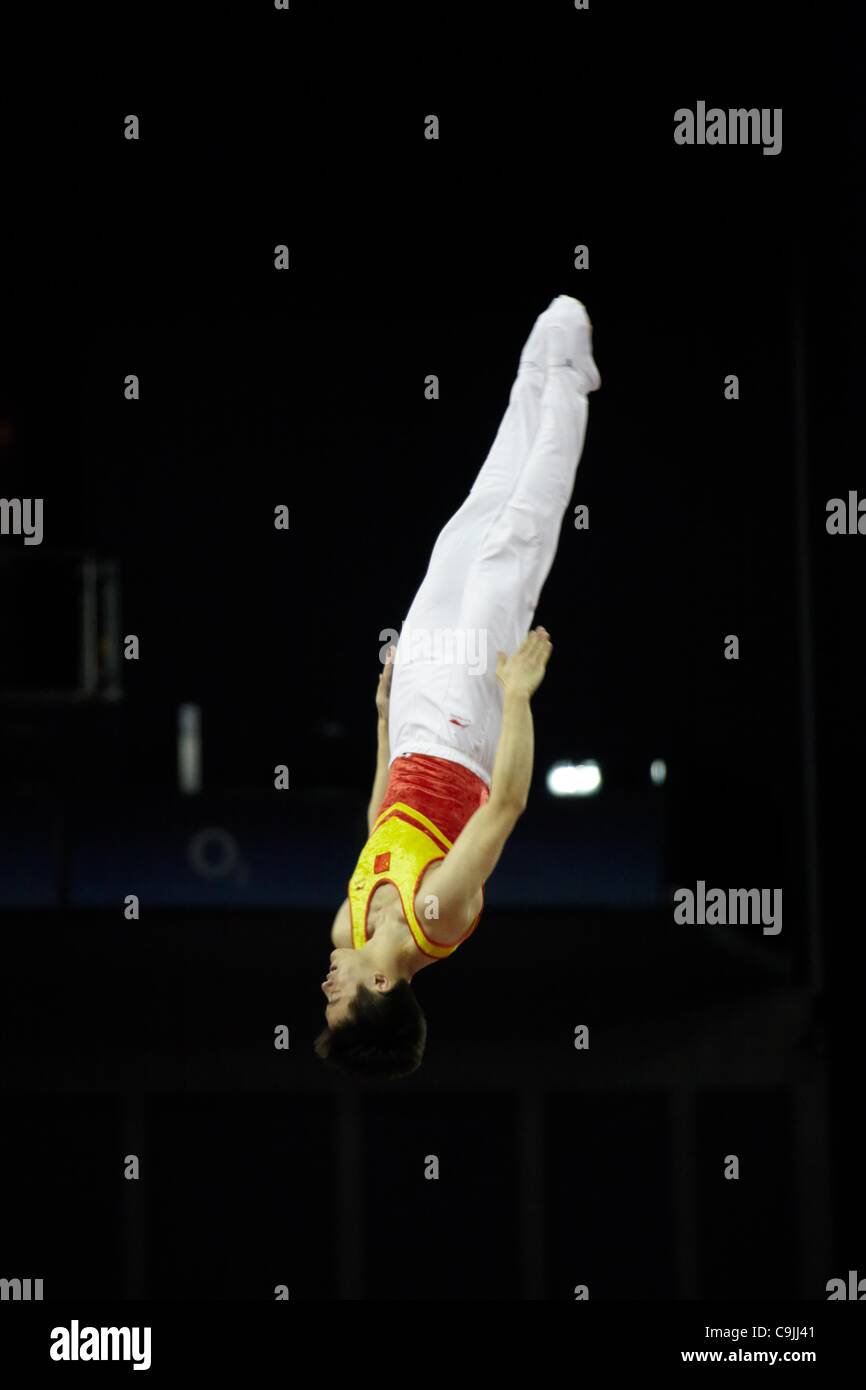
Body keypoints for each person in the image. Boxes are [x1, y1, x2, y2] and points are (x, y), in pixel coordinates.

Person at [314, 295, 601, 1078]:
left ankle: (534, 372)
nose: (325, 985)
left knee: (467, 526)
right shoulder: (439, 917)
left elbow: (381, 820)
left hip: (413, 720)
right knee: (513, 545)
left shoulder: (348, 929)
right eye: (337, 1001)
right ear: (382, 985)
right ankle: (570, 380)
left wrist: (383, 723)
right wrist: (517, 696)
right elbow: (504, 808)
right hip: (472, 723)